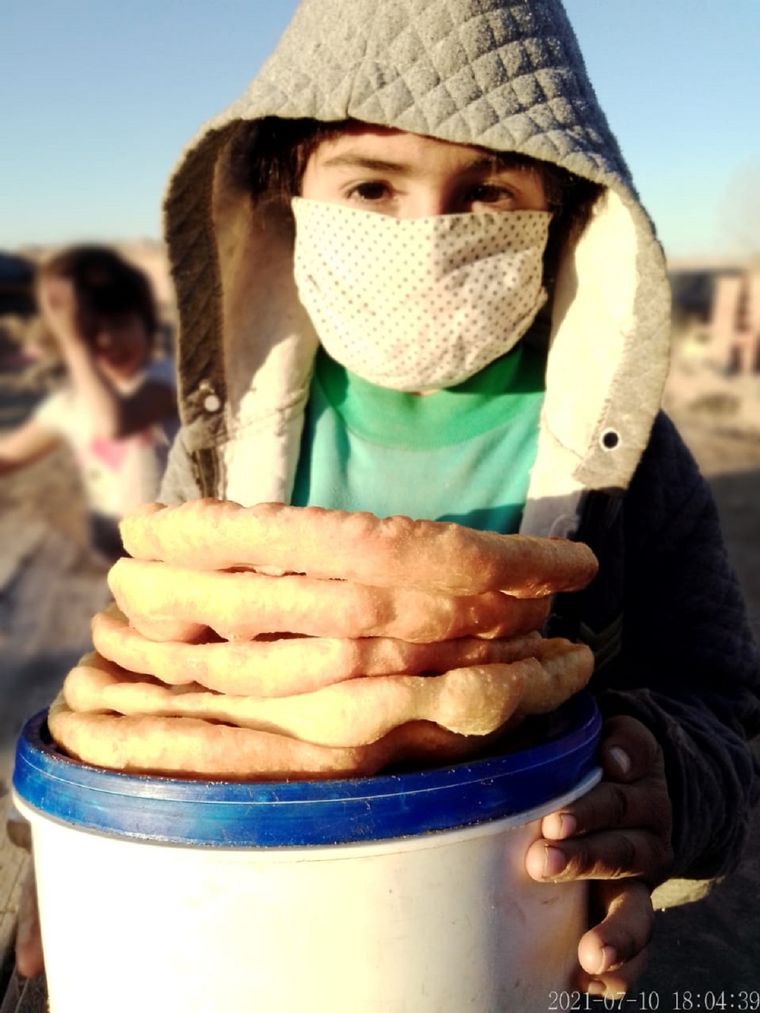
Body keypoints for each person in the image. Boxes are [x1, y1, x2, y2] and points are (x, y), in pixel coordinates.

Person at [15, 0, 760, 998]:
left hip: (500, 937)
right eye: (371, 184)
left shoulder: (626, 462)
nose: (429, 234)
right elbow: (139, 676)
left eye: (488, 191)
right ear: (283, 194)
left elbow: (720, 703)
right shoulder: (228, 445)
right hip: (238, 931)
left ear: (566, 212)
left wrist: (660, 778)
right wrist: (72, 845)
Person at [0, 245, 178, 561]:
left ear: (146, 322)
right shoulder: (72, 403)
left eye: (119, 324)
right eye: (89, 331)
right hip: (110, 536)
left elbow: (114, 425)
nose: (107, 340)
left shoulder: (163, 380)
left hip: (170, 535)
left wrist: (75, 341)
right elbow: (9, 456)